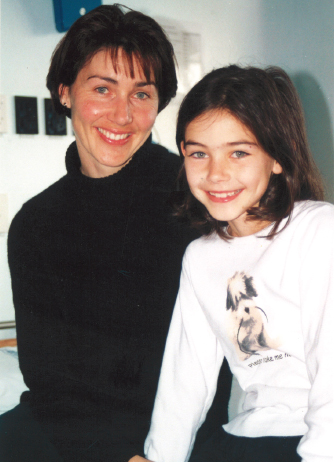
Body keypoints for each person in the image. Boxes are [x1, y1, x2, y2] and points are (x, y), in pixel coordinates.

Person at [1, 5, 231, 462]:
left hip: (186, 428)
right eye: (103, 88)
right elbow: (48, 378)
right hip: (76, 435)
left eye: (141, 94)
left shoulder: (196, 199)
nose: (122, 115)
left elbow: (218, 363)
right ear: (65, 92)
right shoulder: (35, 224)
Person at [144, 65, 332, 462]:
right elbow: (184, 379)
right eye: (198, 153)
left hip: (315, 436)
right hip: (246, 437)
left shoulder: (318, 229)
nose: (216, 173)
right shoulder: (201, 257)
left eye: (239, 152)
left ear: (278, 157)